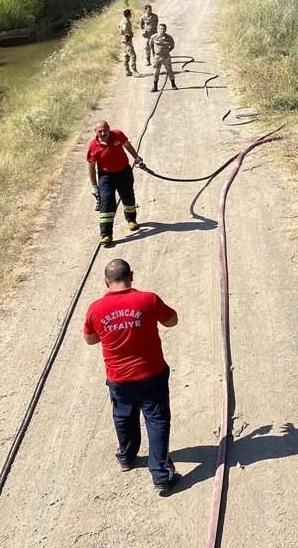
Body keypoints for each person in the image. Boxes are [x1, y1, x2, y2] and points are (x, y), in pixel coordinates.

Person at [83, 258, 181, 493]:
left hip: (118, 377)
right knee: (156, 420)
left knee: (123, 416)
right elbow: (172, 321)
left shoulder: (95, 309)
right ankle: (160, 474)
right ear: (132, 276)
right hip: (151, 374)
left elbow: (90, 339)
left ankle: (127, 457)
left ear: (106, 282)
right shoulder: (148, 300)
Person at [87, 120, 143, 246]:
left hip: (123, 172)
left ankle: (131, 220)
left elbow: (128, 146)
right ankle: (106, 234)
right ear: (95, 132)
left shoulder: (118, 135)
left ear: (109, 129)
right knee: (106, 203)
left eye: (105, 130)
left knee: (128, 197)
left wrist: (137, 158)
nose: (103, 133)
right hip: (106, 176)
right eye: (100, 131)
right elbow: (91, 167)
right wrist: (94, 186)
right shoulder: (93, 146)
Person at [151, 23, 176, 92]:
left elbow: (172, 46)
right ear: (158, 29)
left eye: (164, 29)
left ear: (166, 29)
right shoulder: (153, 37)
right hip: (157, 57)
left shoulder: (169, 38)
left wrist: (167, 51)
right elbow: (151, 45)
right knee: (156, 71)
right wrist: (155, 52)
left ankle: (173, 84)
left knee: (169, 70)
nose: (162, 30)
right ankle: (155, 86)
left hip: (166, 57)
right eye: (161, 28)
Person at [119, 9, 137, 77]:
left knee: (126, 56)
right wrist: (129, 34)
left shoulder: (123, 21)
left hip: (124, 41)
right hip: (127, 41)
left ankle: (127, 71)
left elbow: (119, 27)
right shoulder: (126, 22)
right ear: (129, 15)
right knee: (133, 56)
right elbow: (123, 31)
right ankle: (134, 71)